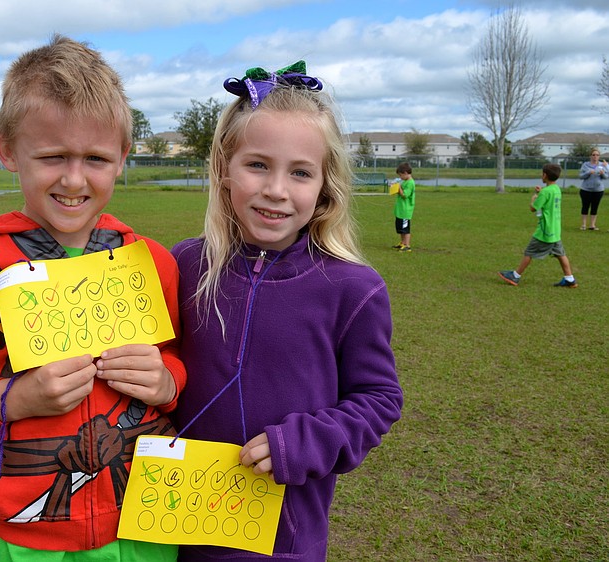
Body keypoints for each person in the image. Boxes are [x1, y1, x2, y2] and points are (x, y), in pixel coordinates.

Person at [0, 35, 185, 562]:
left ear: (122, 158)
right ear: (6, 151)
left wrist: (166, 381)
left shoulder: (152, 261)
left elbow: (180, 363)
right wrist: (10, 399)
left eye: (95, 158)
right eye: (52, 157)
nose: (74, 179)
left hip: (147, 525)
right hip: (28, 538)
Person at [171, 61, 403, 562]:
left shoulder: (352, 288)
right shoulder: (183, 265)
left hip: (283, 538)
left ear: (325, 186)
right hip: (171, 525)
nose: (276, 189)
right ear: (223, 169)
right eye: (257, 165)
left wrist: (304, 443)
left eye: (299, 172)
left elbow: (379, 398)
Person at [498, 163, 578, 287]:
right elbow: (548, 200)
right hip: (555, 230)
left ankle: (515, 276)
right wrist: (541, 193)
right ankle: (569, 279)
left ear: (545, 175)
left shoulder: (545, 192)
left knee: (529, 252)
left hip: (545, 231)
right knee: (561, 254)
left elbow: (533, 208)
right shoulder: (556, 189)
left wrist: (534, 197)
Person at [577, 148, 608, 230]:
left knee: (595, 207)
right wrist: (588, 172)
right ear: (590, 156)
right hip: (586, 190)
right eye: (593, 155)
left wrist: (603, 174)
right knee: (585, 206)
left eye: (597, 155)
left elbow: (606, 177)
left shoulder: (602, 165)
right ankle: (583, 225)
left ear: (599, 156)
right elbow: (580, 176)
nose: (595, 156)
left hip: (598, 190)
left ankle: (592, 225)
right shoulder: (585, 165)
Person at [392, 161, 416, 251]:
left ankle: (407, 245)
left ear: (405, 173)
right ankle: (402, 243)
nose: (400, 177)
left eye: (400, 175)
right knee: (400, 229)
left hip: (405, 210)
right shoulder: (405, 181)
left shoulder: (410, 183)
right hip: (400, 210)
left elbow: (405, 195)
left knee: (405, 229)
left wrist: (398, 187)